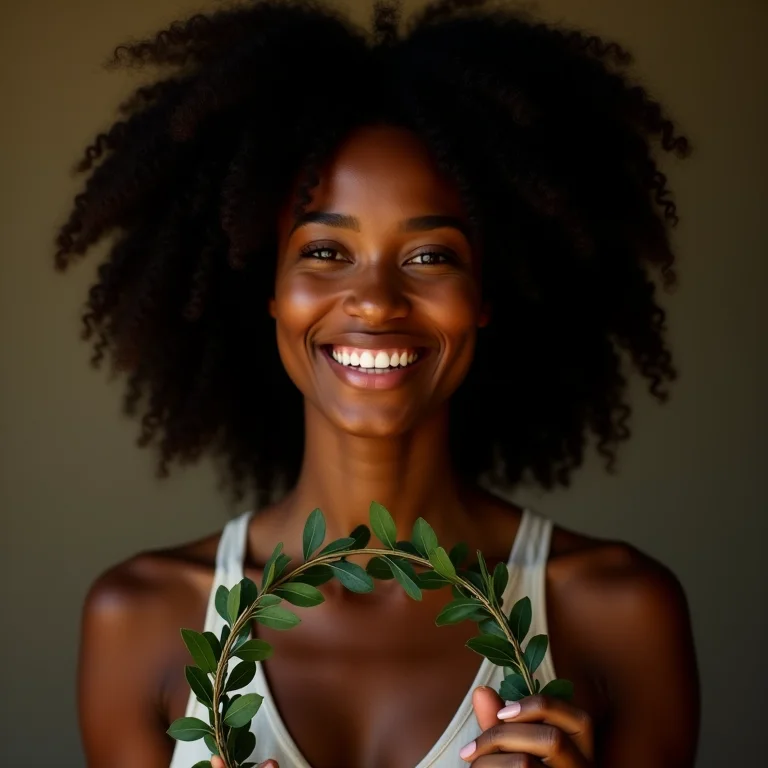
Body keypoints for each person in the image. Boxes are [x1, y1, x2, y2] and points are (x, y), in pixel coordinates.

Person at [61, 0, 699, 765]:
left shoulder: (620, 612)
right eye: (326, 251)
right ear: (268, 291)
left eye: (430, 256)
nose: (375, 300)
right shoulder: (138, 619)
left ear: (485, 296)